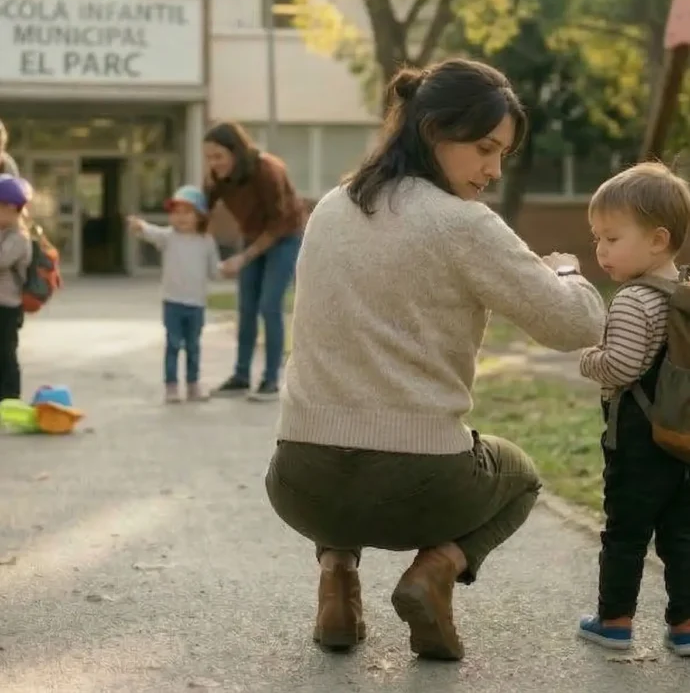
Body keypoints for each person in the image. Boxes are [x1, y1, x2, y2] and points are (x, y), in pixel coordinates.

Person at [264, 58, 606, 661]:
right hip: (419, 485)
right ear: (432, 131)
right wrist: (566, 269)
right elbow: (576, 323)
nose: (493, 170)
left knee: (341, 442)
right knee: (520, 475)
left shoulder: (331, 208)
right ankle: (435, 570)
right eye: (483, 148)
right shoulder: (462, 224)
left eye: (502, 154)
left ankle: (337, 579)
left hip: (298, 480)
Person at [578, 163, 690, 657]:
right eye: (597, 238)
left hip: (639, 440)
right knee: (681, 534)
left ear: (658, 239)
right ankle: (685, 627)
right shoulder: (684, 294)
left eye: (612, 238)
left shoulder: (632, 301)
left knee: (625, 531)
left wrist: (587, 357)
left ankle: (615, 621)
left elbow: (621, 367)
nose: (600, 250)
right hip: (681, 436)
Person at [203, 121, 303, 402]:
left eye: (218, 156)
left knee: (269, 306)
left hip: (284, 236)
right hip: (252, 235)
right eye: (208, 157)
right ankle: (241, 376)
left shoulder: (268, 170)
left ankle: (271, 379)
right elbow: (202, 213)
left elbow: (278, 222)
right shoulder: (217, 176)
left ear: (236, 151)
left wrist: (243, 258)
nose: (213, 163)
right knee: (245, 307)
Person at [127, 185, 220, 404]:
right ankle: (171, 385)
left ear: (200, 216)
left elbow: (214, 271)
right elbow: (151, 232)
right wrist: (139, 226)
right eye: (176, 212)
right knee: (173, 344)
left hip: (196, 304)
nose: (181, 218)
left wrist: (230, 267)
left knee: (193, 346)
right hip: (173, 302)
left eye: (187, 212)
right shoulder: (168, 237)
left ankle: (193, 384)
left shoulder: (206, 241)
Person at [0, 175, 32, 400]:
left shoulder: (19, 237)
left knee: (5, 354)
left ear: (11, 208)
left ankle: (11, 398)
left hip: (7, 306)